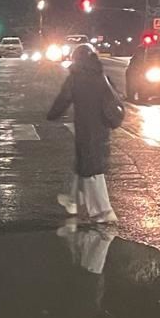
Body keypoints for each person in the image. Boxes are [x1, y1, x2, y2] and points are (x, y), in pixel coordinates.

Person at [46, 43, 124, 224]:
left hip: (86, 130)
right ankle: (72, 200)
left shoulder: (76, 78)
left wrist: (52, 115)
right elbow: (115, 97)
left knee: (92, 170)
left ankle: (103, 211)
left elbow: (63, 100)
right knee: (85, 165)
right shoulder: (101, 75)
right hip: (101, 129)